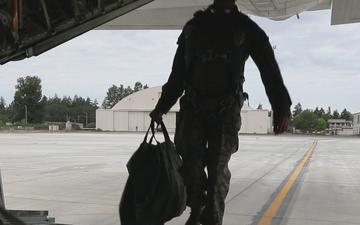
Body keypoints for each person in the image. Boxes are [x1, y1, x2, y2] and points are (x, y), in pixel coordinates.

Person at [150, 0, 292, 224]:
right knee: (190, 167)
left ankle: (212, 217)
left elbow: (268, 68)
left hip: (225, 112)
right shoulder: (193, 28)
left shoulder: (246, 29)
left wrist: (281, 108)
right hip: (193, 110)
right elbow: (177, 75)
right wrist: (161, 107)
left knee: (217, 172)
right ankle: (197, 208)